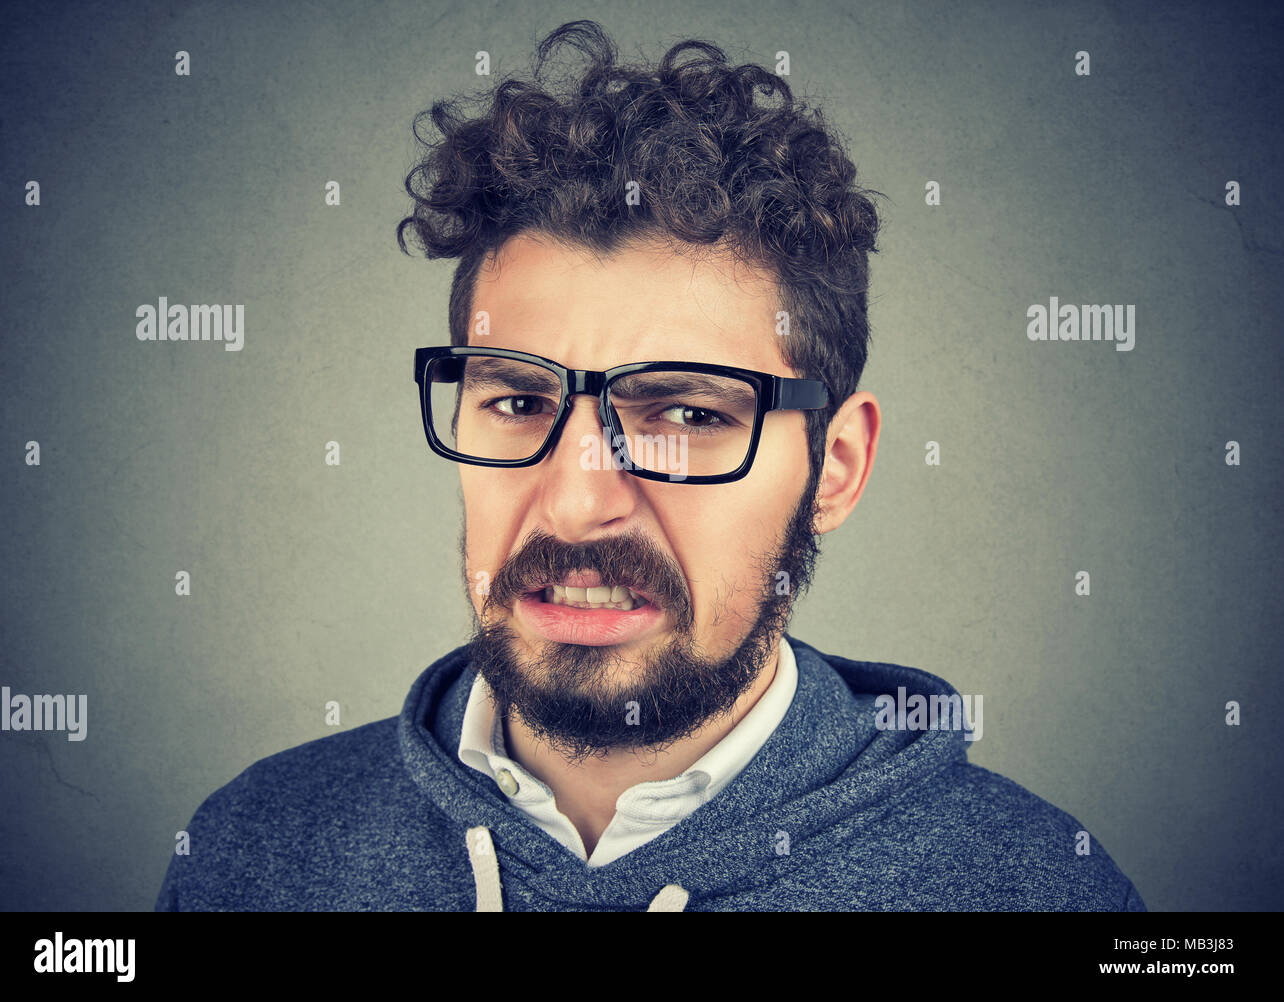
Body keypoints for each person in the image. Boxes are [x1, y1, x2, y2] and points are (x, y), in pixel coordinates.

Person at [155, 20, 1145, 912]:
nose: (579, 503)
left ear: (833, 466)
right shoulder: (256, 850)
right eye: (517, 401)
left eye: (683, 411)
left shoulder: (1034, 890)